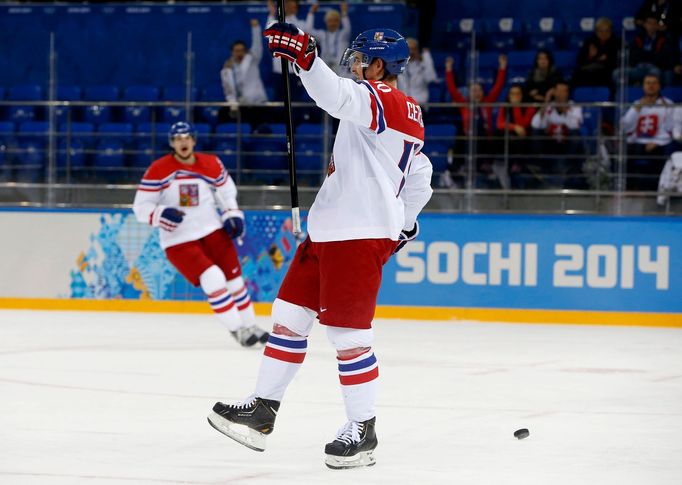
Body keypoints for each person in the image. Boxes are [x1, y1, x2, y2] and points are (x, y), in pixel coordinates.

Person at [207, 26, 433, 470]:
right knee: (289, 318)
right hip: (332, 231)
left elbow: (337, 97)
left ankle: (362, 429)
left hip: (355, 232)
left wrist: (308, 58)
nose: (352, 65)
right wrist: (403, 227)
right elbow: (420, 175)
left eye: (358, 59)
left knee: (350, 336)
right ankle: (261, 411)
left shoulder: (381, 97)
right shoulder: (395, 115)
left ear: (379, 65)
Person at [132, 122, 269, 347]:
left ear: (194, 140)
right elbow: (141, 207)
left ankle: (251, 325)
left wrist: (232, 214)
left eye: (186, 137)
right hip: (179, 239)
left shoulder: (212, 163)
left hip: (213, 231)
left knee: (235, 281)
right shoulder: (158, 169)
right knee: (213, 278)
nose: (182, 142)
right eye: (177, 138)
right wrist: (160, 213)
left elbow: (226, 194)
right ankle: (238, 330)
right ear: (172, 143)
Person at [444, 53, 507, 187]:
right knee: (459, 134)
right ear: (469, 93)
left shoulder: (487, 103)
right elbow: (452, 90)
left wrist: (502, 67)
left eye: (478, 90)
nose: (476, 93)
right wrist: (448, 70)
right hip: (467, 139)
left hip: (485, 139)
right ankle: (455, 170)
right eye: (473, 91)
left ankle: (485, 166)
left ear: (483, 93)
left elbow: (498, 86)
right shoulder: (464, 103)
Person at [620, 74, 676, 190]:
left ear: (659, 86)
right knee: (625, 151)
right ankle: (629, 189)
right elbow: (625, 127)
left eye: (654, 83)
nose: (651, 86)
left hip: (659, 143)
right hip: (638, 142)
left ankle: (658, 189)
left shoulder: (668, 104)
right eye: (648, 83)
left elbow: (672, 128)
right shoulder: (637, 104)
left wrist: (656, 142)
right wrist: (637, 110)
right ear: (643, 86)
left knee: (661, 153)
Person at [530, 81, 585, 188]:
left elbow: (575, 126)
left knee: (575, 135)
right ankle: (539, 167)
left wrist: (565, 110)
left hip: (567, 144)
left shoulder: (575, 107)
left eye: (563, 91)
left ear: (567, 93)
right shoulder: (549, 107)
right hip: (551, 143)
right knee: (536, 133)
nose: (560, 94)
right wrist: (546, 101)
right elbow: (536, 124)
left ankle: (569, 168)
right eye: (557, 91)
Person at [614, 15, 680, 86]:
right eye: (649, 23)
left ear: (658, 26)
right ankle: (629, 94)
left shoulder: (665, 39)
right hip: (639, 68)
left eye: (654, 23)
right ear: (645, 25)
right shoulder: (638, 38)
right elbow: (634, 55)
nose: (652, 26)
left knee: (654, 73)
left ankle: (649, 93)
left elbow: (663, 56)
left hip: (656, 67)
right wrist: (651, 55)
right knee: (617, 74)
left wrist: (646, 56)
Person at [496, 84, 537, 188]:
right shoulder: (504, 107)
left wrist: (516, 107)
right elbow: (499, 124)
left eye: (518, 94)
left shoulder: (529, 107)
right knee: (500, 134)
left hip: (524, 139)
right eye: (512, 94)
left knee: (518, 139)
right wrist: (513, 127)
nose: (515, 96)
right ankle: (501, 164)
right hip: (510, 138)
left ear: (522, 95)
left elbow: (523, 126)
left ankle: (517, 165)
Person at [220, 19, 268, 106]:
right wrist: (232, 103)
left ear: (245, 51)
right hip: (240, 104)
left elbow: (257, 45)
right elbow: (228, 89)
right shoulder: (228, 67)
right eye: (236, 51)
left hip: (258, 102)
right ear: (232, 52)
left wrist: (256, 28)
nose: (239, 53)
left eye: (241, 50)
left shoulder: (253, 59)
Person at [305, 1, 352, 77]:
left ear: (339, 22)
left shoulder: (343, 34)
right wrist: (311, 13)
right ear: (326, 22)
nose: (332, 23)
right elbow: (308, 31)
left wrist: (344, 13)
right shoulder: (322, 34)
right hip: (326, 70)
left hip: (342, 72)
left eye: (335, 20)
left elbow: (347, 27)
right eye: (330, 21)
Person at [572, 17, 620, 89]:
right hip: (590, 69)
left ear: (611, 31)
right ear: (596, 31)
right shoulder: (590, 42)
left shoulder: (616, 43)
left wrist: (598, 59)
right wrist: (590, 56)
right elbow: (580, 61)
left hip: (607, 71)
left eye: (607, 31)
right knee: (578, 73)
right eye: (601, 31)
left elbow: (616, 61)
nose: (604, 34)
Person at [398, 37, 438, 106]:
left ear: (417, 51)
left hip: (419, 105)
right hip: (402, 104)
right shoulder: (398, 66)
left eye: (414, 49)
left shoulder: (423, 65)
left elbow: (431, 78)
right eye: (409, 49)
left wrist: (427, 57)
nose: (411, 52)